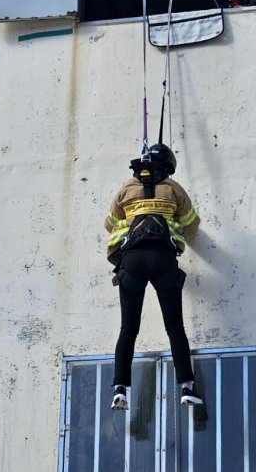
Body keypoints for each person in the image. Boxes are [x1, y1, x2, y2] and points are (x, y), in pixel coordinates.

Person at [104, 143, 203, 410]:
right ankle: (187, 387)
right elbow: (192, 224)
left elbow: (109, 223)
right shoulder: (174, 189)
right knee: (175, 327)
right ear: (169, 166)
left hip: (132, 261)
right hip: (162, 259)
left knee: (128, 328)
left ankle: (120, 389)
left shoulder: (126, 188)